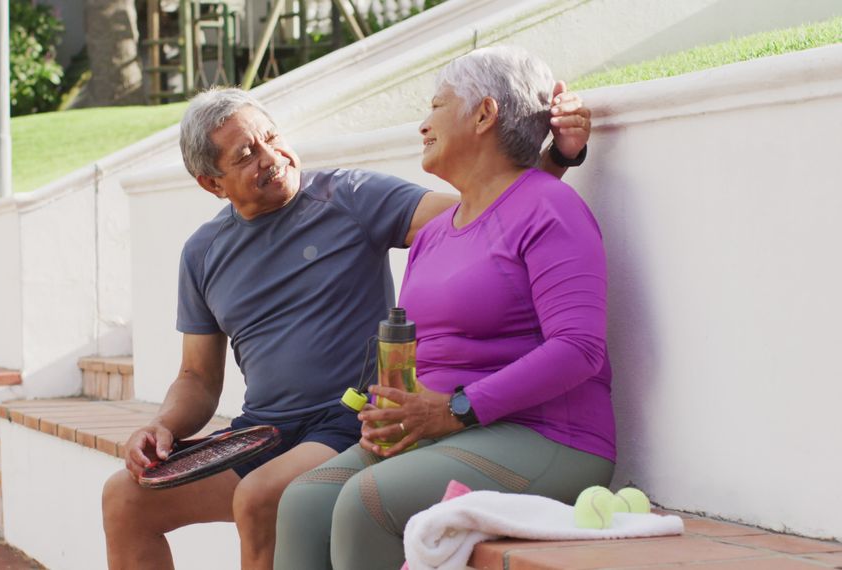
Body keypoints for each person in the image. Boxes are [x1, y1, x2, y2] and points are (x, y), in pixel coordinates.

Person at [101, 82, 592, 570]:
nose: (270, 156)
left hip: (347, 422)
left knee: (259, 496)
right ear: (211, 182)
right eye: (246, 154)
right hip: (263, 433)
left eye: (271, 137)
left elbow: (483, 215)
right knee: (125, 497)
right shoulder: (202, 253)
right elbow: (197, 379)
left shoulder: (351, 197)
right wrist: (161, 425)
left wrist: (558, 158)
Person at [273, 46, 614, 570]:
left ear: (484, 114)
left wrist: (455, 409)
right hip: (446, 425)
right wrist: (393, 411)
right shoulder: (435, 233)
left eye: (436, 105)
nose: (422, 125)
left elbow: (580, 348)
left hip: (547, 435)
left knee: (367, 503)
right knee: (303, 502)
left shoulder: (552, 207)